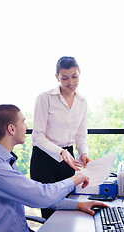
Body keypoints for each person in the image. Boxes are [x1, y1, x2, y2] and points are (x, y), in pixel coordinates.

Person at [0, 104, 107, 232]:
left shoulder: (3, 159)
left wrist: (78, 205)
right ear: (11, 129)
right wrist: (74, 180)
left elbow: (34, 195)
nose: (27, 127)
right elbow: (42, 196)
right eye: (23, 122)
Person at [30, 56, 91, 218]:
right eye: (65, 78)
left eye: (74, 76)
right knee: (50, 213)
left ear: (80, 74)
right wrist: (61, 152)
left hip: (68, 160)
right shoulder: (45, 98)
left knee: (70, 209)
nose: (70, 82)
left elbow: (81, 134)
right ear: (57, 77)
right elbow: (37, 136)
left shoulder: (82, 102)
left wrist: (83, 153)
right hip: (44, 160)